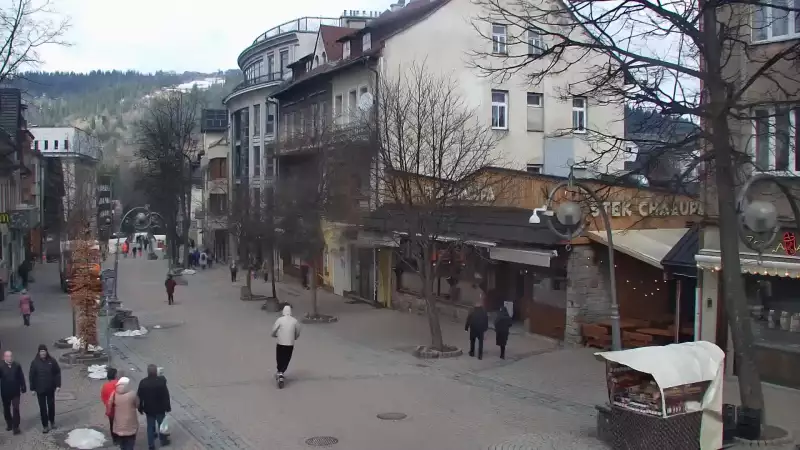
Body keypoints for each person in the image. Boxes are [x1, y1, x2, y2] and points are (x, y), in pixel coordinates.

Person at [137, 364, 171, 450]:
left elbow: (139, 397)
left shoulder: (143, 382)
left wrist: (140, 408)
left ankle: (151, 445)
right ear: (156, 372)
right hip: (160, 408)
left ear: (148, 372)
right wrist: (168, 407)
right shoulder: (161, 382)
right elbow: (166, 396)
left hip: (149, 409)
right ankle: (163, 440)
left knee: (150, 427)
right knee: (161, 425)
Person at [29, 344, 61, 433]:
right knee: (43, 408)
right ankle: (45, 425)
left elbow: (57, 373)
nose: (43, 353)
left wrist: (58, 385)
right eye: (41, 351)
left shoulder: (52, 361)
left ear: (46, 352)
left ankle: (52, 421)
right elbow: (31, 376)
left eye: (44, 351)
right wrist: (32, 389)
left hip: (50, 388)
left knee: (51, 406)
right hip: (40, 389)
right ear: (39, 353)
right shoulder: (35, 363)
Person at [108, 377, 138, 450]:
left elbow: (109, 404)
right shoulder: (132, 394)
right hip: (130, 422)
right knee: (130, 441)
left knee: (122, 443)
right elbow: (137, 404)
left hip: (119, 422)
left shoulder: (114, 393)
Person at [0, 351, 26, 434]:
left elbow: (21, 376)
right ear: (4, 357)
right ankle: (9, 423)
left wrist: (23, 386)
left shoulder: (17, 365)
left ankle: (16, 426)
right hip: (5, 392)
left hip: (15, 391)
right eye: (7, 356)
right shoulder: (1, 366)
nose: (9, 358)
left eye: (11, 356)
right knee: (6, 408)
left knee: (16, 408)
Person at [271, 305, 300, 380]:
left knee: (279, 356)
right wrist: (295, 337)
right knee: (287, 357)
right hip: (290, 343)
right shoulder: (295, 321)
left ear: (283, 312)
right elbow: (298, 331)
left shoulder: (280, 320)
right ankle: (282, 371)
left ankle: (279, 371)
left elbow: (274, 329)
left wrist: (274, 335)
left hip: (280, 342)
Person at [100, 367, 120, 444]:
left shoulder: (105, 386)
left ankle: (115, 439)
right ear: (115, 375)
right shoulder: (118, 384)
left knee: (112, 424)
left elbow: (103, 397)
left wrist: (107, 404)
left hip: (110, 410)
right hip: (119, 409)